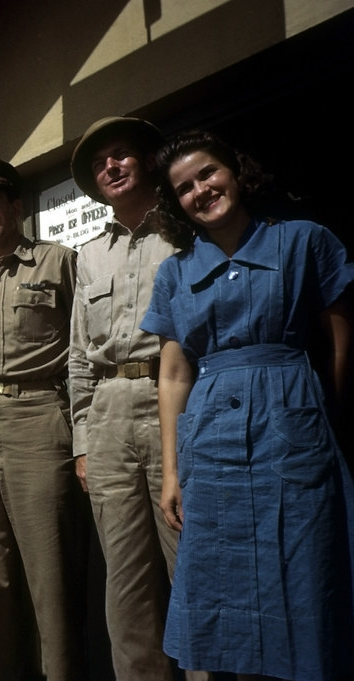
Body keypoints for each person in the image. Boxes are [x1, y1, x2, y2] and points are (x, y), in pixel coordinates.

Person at [141, 130, 354, 680]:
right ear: (176, 204)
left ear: (235, 171)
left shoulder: (305, 240)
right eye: (184, 188)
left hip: (293, 426)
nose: (201, 190)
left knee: (303, 576)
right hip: (209, 440)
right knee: (221, 586)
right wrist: (171, 472)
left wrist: (322, 414)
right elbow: (174, 373)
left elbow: (338, 339)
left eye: (208, 173)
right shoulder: (174, 272)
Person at [0, 156, 89, 681]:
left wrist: (81, 433)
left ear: (15, 205)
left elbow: (83, 351)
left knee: (50, 574)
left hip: (40, 416)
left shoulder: (59, 262)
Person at [69, 116, 193, 680]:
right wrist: (82, 442)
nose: (110, 167)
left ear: (145, 160)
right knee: (126, 583)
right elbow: (78, 355)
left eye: (119, 155)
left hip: (175, 404)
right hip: (108, 415)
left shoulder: (184, 233)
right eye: (100, 163)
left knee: (190, 565)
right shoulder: (89, 255)